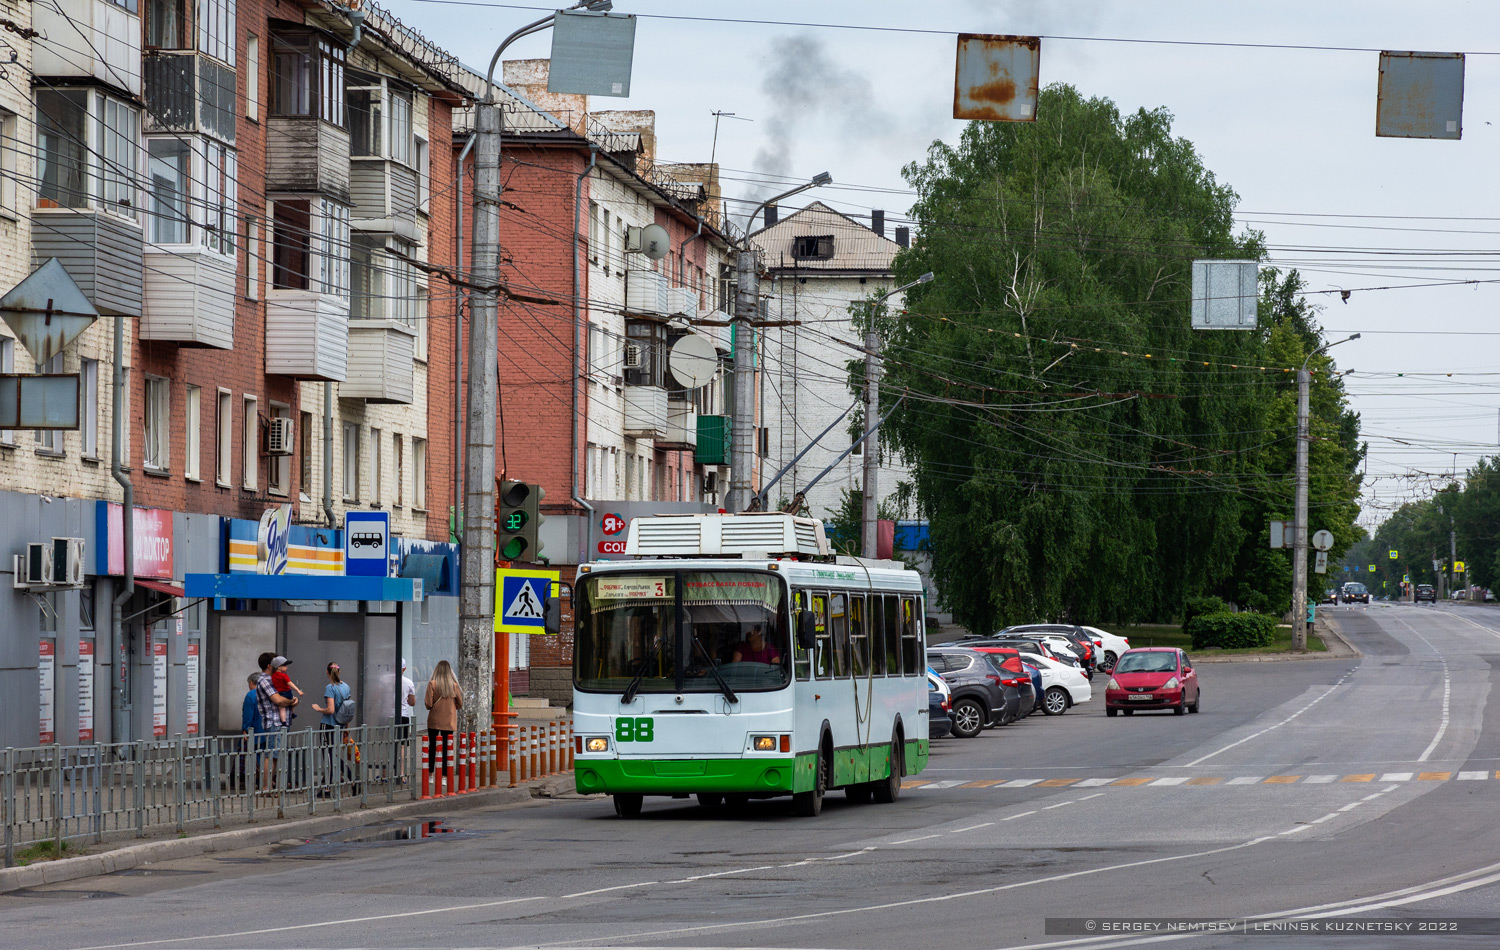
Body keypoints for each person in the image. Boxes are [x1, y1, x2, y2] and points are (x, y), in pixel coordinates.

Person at [254, 652, 297, 790]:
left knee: (278, 755)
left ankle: (278, 786)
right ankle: (266, 787)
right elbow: (278, 700)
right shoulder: (265, 680)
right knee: (271, 755)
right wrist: (291, 701)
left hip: (281, 722)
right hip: (274, 722)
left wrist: (290, 701)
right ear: (269, 665)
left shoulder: (276, 678)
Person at [311, 662, 354, 793]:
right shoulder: (346, 686)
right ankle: (352, 780)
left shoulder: (330, 688)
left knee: (328, 756)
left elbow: (330, 709)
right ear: (339, 672)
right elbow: (347, 709)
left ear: (327, 672)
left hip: (328, 724)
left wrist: (318, 709)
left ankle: (328, 788)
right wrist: (346, 728)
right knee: (333, 755)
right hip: (340, 725)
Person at [424, 660, 462, 781]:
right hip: (449, 720)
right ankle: (444, 777)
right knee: (446, 748)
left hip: (434, 720)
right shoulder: (454, 686)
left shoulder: (432, 684)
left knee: (432, 747)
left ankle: (430, 775)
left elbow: (428, 704)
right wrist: (451, 707)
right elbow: (460, 703)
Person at [270, 657, 303, 726]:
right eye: (285, 666)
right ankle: (292, 713)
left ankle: (283, 721)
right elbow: (290, 683)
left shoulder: (273, 676)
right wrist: (298, 690)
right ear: (279, 667)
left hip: (279, 694)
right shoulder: (284, 675)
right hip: (287, 692)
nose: (287, 667)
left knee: (282, 708)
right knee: (293, 700)